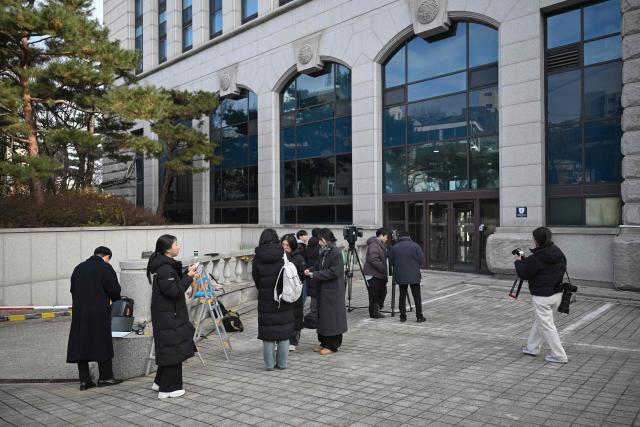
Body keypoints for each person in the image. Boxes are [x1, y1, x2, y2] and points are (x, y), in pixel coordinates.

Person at [147, 234, 198, 399]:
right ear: (168, 249)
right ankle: (169, 389)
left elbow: (173, 285)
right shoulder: (165, 269)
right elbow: (174, 291)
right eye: (176, 244)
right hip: (169, 315)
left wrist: (186, 274)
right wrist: (189, 277)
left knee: (169, 348)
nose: (179, 247)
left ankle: (159, 382)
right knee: (173, 349)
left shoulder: (165, 266)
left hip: (168, 314)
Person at [66, 246, 123, 391]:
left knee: (81, 342)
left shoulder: (78, 268)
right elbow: (115, 290)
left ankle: (85, 381)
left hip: (80, 312)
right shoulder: (105, 267)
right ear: (107, 257)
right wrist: (113, 299)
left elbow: (72, 289)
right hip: (99, 311)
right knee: (101, 341)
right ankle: (105, 377)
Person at [515, 227, 569, 364]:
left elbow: (524, 274)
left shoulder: (537, 257)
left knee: (547, 326)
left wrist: (519, 261)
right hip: (557, 294)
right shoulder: (558, 252)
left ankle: (559, 355)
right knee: (541, 321)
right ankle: (532, 348)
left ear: (536, 240)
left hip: (542, 297)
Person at [252, 229, 295, 370]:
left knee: (268, 334)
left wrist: (264, 289)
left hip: (266, 299)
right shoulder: (284, 254)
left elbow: (256, 278)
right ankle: (282, 364)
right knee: (283, 333)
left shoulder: (257, 257)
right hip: (283, 298)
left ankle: (269, 365)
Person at [304, 228, 348, 355]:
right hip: (323, 290)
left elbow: (334, 272)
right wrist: (310, 270)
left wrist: (315, 274)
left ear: (324, 240)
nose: (318, 242)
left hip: (333, 292)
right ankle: (323, 342)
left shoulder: (335, 252)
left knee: (332, 319)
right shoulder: (324, 251)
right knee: (323, 317)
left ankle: (333, 345)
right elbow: (318, 265)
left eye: (320, 240)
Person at [389, 232, 426, 323]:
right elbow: (421, 259)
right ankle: (419, 316)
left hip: (401, 275)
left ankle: (403, 317)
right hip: (414, 275)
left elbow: (391, 262)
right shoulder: (415, 246)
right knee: (417, 296)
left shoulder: (395, 247)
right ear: (409, 237)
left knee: (402, 295)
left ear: (400, 237)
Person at [281, 234, 305, 351]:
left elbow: (301, 276)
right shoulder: (280, 256)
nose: (285, 247)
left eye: (287, 245)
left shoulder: (298, 258)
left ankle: (294, 341)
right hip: (284, 292)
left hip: (295, 291)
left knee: (295, 316)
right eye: (283, 244)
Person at [363, 228, 390, 319]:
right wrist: (382, 267)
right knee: (375, 293)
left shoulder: (381, 245)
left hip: (378, 274)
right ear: (381, 235)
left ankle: (376, 310)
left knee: (382, 292)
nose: (387, 238)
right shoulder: (374, 245)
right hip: (373, 274)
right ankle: (374, 312)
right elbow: (372, 259)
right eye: (386, 236)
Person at [303, 228, 321, 329]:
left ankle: (313, 316)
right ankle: (315, 320)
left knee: (313, 296)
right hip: (317, 273)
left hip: (309, 273)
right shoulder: (320, 247)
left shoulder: (308, 246)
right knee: (316, 297)